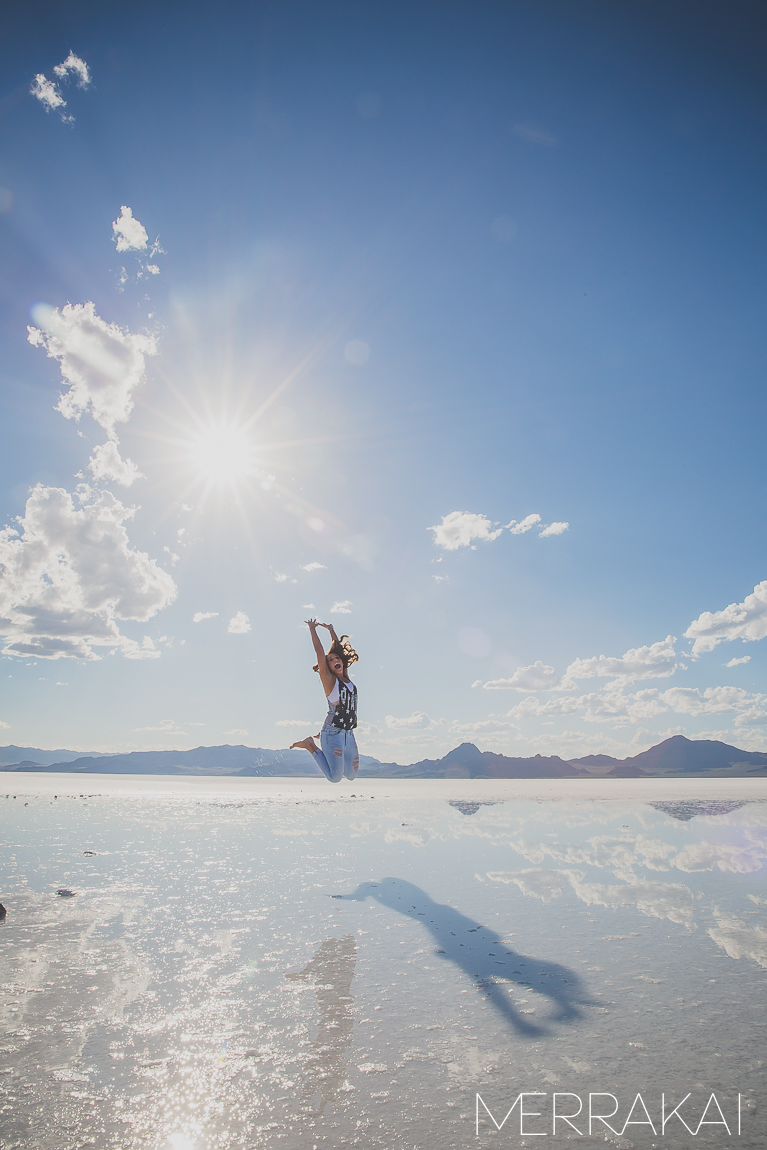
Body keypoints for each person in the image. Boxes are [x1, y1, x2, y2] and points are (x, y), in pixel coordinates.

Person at [290, 619, 360, 783]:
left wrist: (331, 630)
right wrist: (312, 628)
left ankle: (319, 740)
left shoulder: (346, 679)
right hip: (333, 733)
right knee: (335, 777)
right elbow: (319, 651)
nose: (336, 660)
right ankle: (309, 745)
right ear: (326, 667)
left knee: (351, 775)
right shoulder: (330, 681)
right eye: (331, 660)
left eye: (338, 658)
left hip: (349, 734)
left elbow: (339, 648)